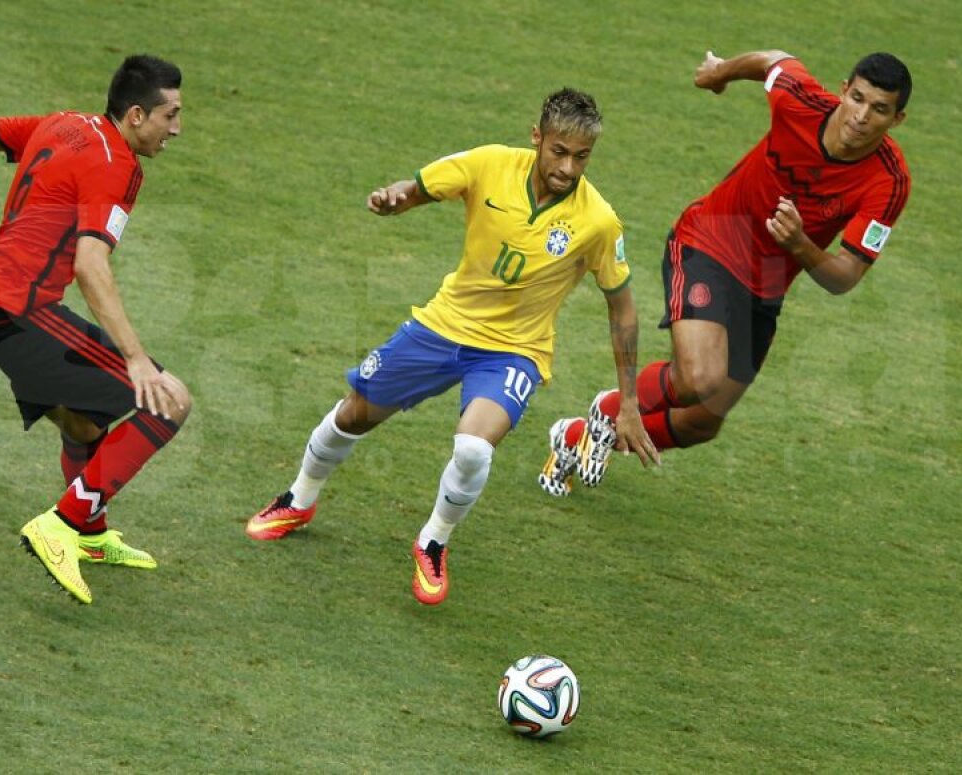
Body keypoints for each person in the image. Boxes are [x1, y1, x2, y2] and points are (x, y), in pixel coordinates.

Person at [245, 88, 658, 605]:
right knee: (353, 415)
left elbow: (622, 307)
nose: (568, 168)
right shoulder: (488, 164)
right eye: (559, 151)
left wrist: (631, 404)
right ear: (537, 137)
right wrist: (392, 200)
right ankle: (299, 499)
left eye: (581, 157)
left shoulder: (597, 221)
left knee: (472, 449)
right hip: (443, 326)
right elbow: (417, 188)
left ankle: (433, 541)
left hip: (515, 352)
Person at [539, 50, 912, 494]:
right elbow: (774, 60)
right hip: (710, 240)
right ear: (842, 90)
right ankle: (612, 407)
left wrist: (800, 245)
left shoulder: (889, 182)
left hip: (767, 284)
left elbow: (845, 276)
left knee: (702, 421)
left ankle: (575, 438)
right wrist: (719, 73)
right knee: (699, 378)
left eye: (879, 109)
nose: (861, 116)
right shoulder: (800, 101)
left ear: (897, 119)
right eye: (857, 98)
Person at [0, 55, 192, 605]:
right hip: (22, 314)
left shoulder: (65, 123)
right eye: (169, 115)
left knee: (82, 423)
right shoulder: (118, 166)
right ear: (134, 114)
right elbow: (90, 265)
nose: (176, 128)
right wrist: (136, 359)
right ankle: (62, 524)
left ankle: (91, 535)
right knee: (169, 402)